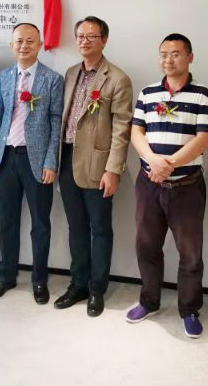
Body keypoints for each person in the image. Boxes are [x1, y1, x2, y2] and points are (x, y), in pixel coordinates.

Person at [126, 33, 208, 339]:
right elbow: (136, 132)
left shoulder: (203, 96)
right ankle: (148, 301)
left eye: (176, 53)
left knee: (190, 253)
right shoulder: (148, 93)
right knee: (146, 246)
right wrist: (153, 161)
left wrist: (169, 165)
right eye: (164, 54)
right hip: (148, 184)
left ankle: (189, 310)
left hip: (186, 187)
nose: (169, 59)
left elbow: (203, 139)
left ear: (189, 57)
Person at [53, 16, 133, 317]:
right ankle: (78, 284)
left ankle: (97, 289)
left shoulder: (118, 78)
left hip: (98, 165)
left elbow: (121, 129)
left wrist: (113, 170)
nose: (84, 41)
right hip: (67, 160)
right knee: (76, 227)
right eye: (80, 36)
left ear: (104, 40)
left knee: (99, 229)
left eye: (91, 36)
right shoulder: (71, 72)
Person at [0, 23, 64, 304]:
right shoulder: (4, 77)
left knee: (40, 223)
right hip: (6, 158)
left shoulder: (52, 79)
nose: (24, 46)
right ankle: (6, 276)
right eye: (19, 41)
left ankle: (39, 280)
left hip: (37, 160)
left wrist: (51, 160)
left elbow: (56, 122)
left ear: (40, 45)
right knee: (7, 221)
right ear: (11, 45)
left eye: (30, 41)